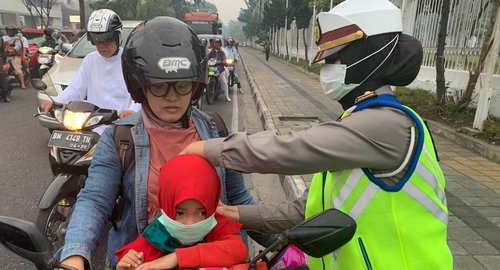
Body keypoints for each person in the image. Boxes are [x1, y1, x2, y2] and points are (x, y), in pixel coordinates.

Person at [181, 0, 453, 269]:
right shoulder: (356, 123)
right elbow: (304, 212)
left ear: (366, 54)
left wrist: (205, 149)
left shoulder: (386, 125)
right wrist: (230, 213)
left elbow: (290, 150)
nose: (325, 70)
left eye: (333, 59)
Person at [58, 16, 271, 270]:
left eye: (181, 86)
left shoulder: (216, 131)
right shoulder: (120, 138)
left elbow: (238, 200)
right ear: (140, 86)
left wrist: (288, 242)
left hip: (215, 261)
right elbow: (95, 200)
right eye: (159, 87)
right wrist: (73, 255)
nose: (172, 98)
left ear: (195, 85)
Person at [115, 154, 247, 270]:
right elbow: (130, 262)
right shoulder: (153, 238)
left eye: (202, 213)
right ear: (166, 206)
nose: (191, 223)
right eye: (180, 213)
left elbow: (238, 250)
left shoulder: (217, 226)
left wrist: (178, 257)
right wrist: (127, 266)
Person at [42, 9, 140, 134]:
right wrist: (57, 101)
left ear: (117, 36)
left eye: (106, 40)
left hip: (122, 126)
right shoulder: (90, 59)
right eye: (96, 41)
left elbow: (140, 95)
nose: (101, 46)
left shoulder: (130, 61)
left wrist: (132, 110)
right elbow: (76, 88)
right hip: (92, 125)